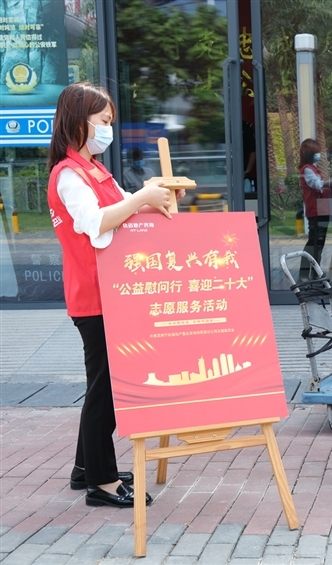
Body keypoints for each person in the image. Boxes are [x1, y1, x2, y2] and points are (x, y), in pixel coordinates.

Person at [47, 82, 178, 508]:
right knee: (105, 390)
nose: (108, 130)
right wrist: (141, 197)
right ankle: (101, 482)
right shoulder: (68, 175)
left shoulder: (93, 169)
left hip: (111, 293)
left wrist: (154, 198)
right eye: (103, 121)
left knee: (101, 385)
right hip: (94, 296)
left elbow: (123, 208)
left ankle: (86, 467)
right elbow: (97, 222)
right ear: (77, 121)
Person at [298, 138, 332, 280]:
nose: (319, 155)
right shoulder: (307, 169)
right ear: (310, 153)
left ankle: (314, 274)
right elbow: (318, 185)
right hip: (315, 210)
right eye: (316, 152)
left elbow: (321, 184)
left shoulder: (312, 168)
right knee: (314, 243)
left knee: (318, 242)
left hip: (322, 209)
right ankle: (307, 274)